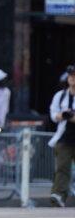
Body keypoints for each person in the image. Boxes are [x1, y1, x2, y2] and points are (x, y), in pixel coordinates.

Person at [47, 65, 75, 207]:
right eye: (70, 75)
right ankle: (58, 195)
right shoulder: (60, 96)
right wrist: (62, 116)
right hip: (64, 137)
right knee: (62, 167)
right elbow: (53, 115)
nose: (72, 78)